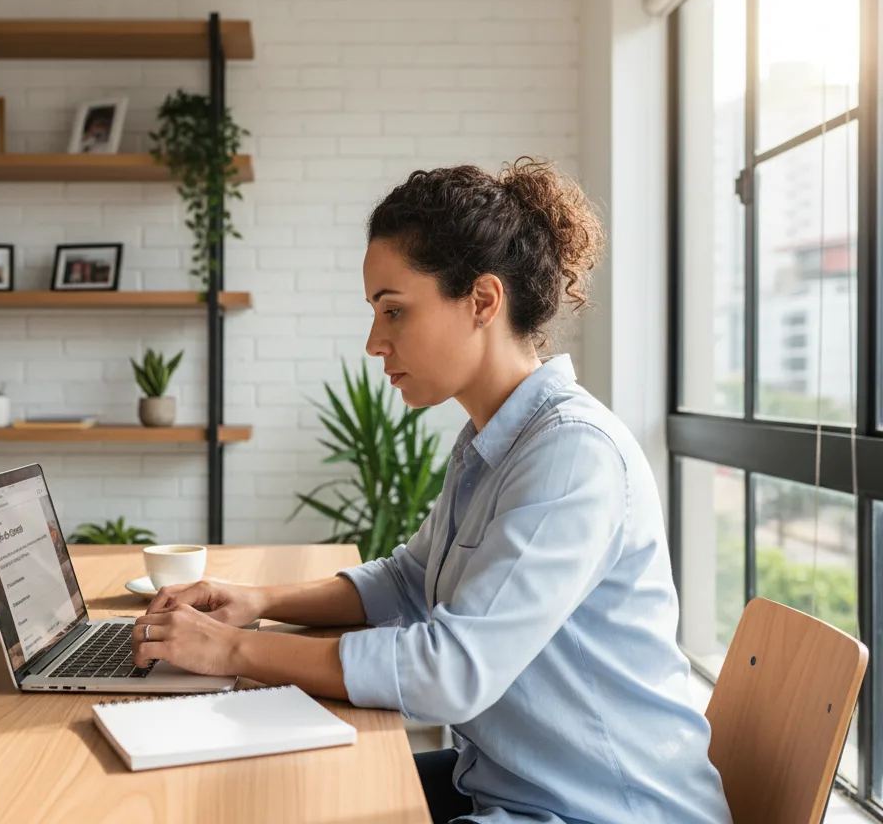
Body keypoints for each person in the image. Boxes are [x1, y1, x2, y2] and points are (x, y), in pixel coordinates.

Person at [130, 160, 733, 824]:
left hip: (603, 810)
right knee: (287, 787)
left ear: (482, 301)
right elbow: (411, 580)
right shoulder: (496, 439)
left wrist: (232, 650)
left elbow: (451, 671)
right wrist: (257, 601)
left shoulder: (570, 455)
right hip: (513, 784)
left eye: (395, 310)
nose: (374, 341)